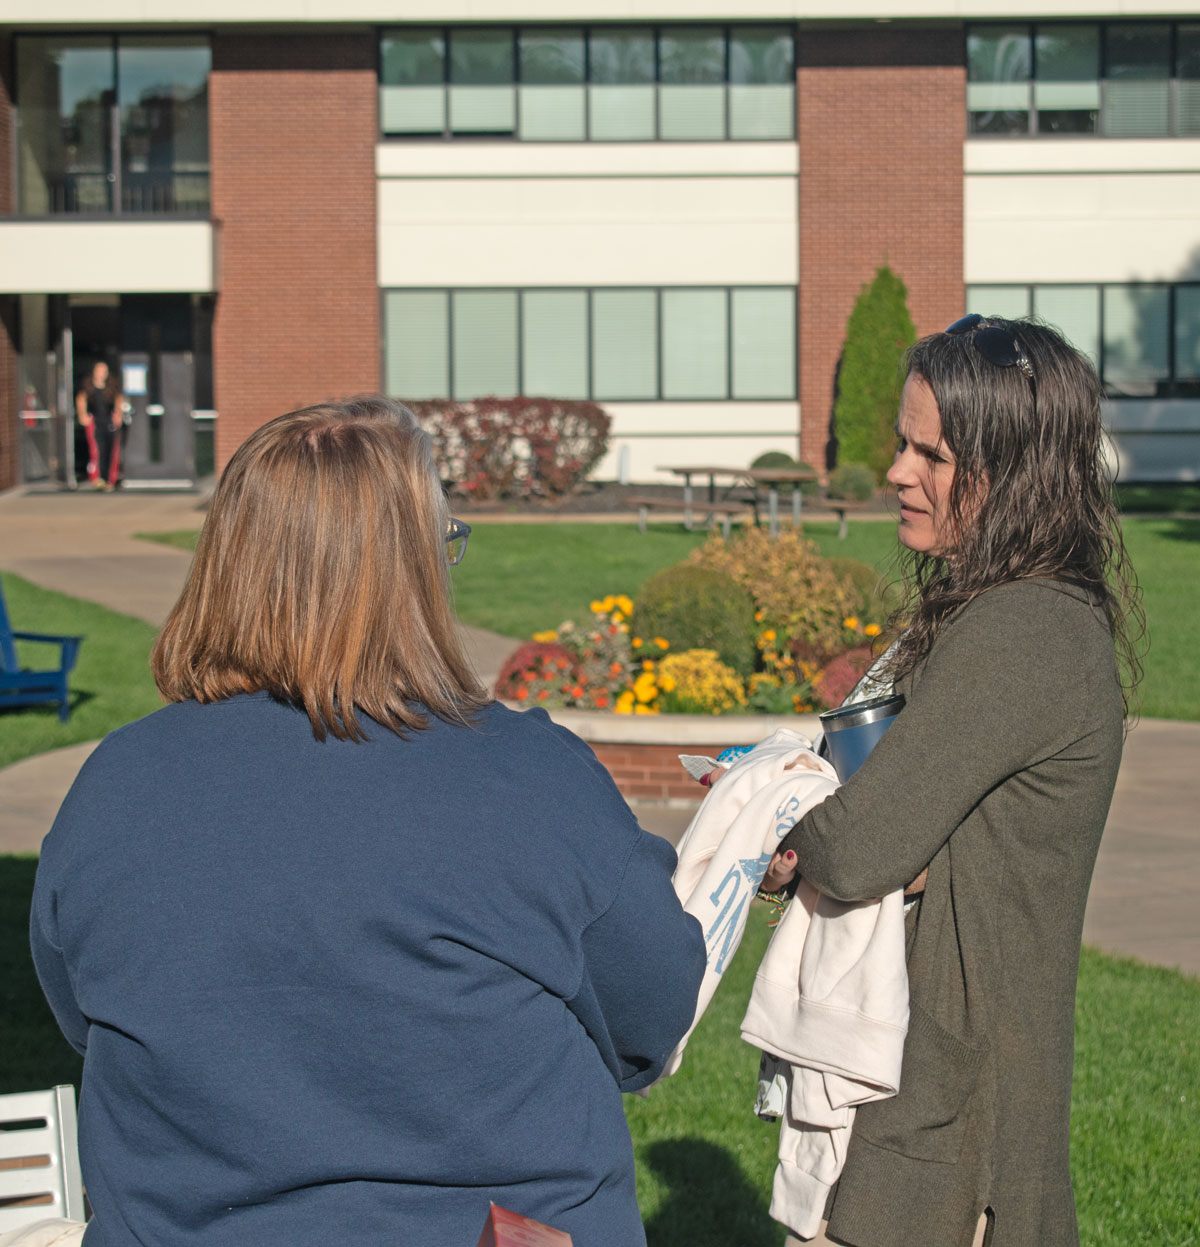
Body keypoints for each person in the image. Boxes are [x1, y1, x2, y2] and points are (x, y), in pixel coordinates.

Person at [29, 396, 706, 1247]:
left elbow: (83, 1015)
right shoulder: (533, 780)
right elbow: (651, 1013)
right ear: (412, 573)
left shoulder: (114, 784)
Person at [763, 315, 1143, 1247]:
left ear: (1015, 471)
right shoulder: (1005, 607)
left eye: (931, 454)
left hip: (953, 1139)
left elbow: (862, 846)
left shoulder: (1023, 628)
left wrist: (780, 817)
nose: (898, 471)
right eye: (904, 443)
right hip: (928, 1099)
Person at [74, 361, 124, 491]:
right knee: (97, 450)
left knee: (111, 451)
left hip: (109, 421)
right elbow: (81, 399)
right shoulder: (88, 386)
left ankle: (110, 480)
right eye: (99, 370)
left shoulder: (112, 386)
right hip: (95, 422)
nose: (101, 374)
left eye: (104, 371)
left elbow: (119, 399)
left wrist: (118, 414)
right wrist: (82, 415)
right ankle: (97, 478)